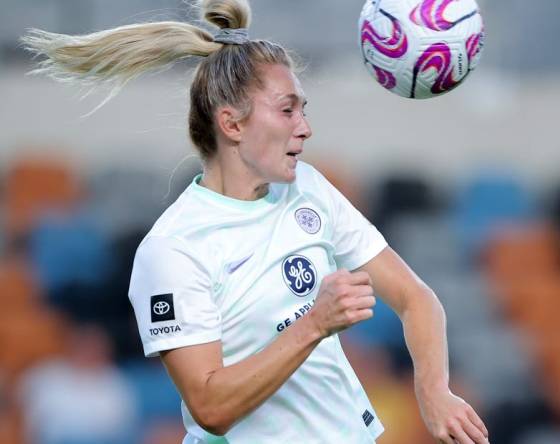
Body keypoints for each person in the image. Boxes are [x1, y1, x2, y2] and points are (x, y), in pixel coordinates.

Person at [21, 1, 489, 442]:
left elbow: (415, 298)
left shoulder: (308, 188)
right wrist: (313, 323)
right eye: (288, 109)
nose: (304, 126)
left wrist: (433, 389)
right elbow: (210, 405)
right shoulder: (174, 248)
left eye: (304, 109)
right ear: (232, 124)